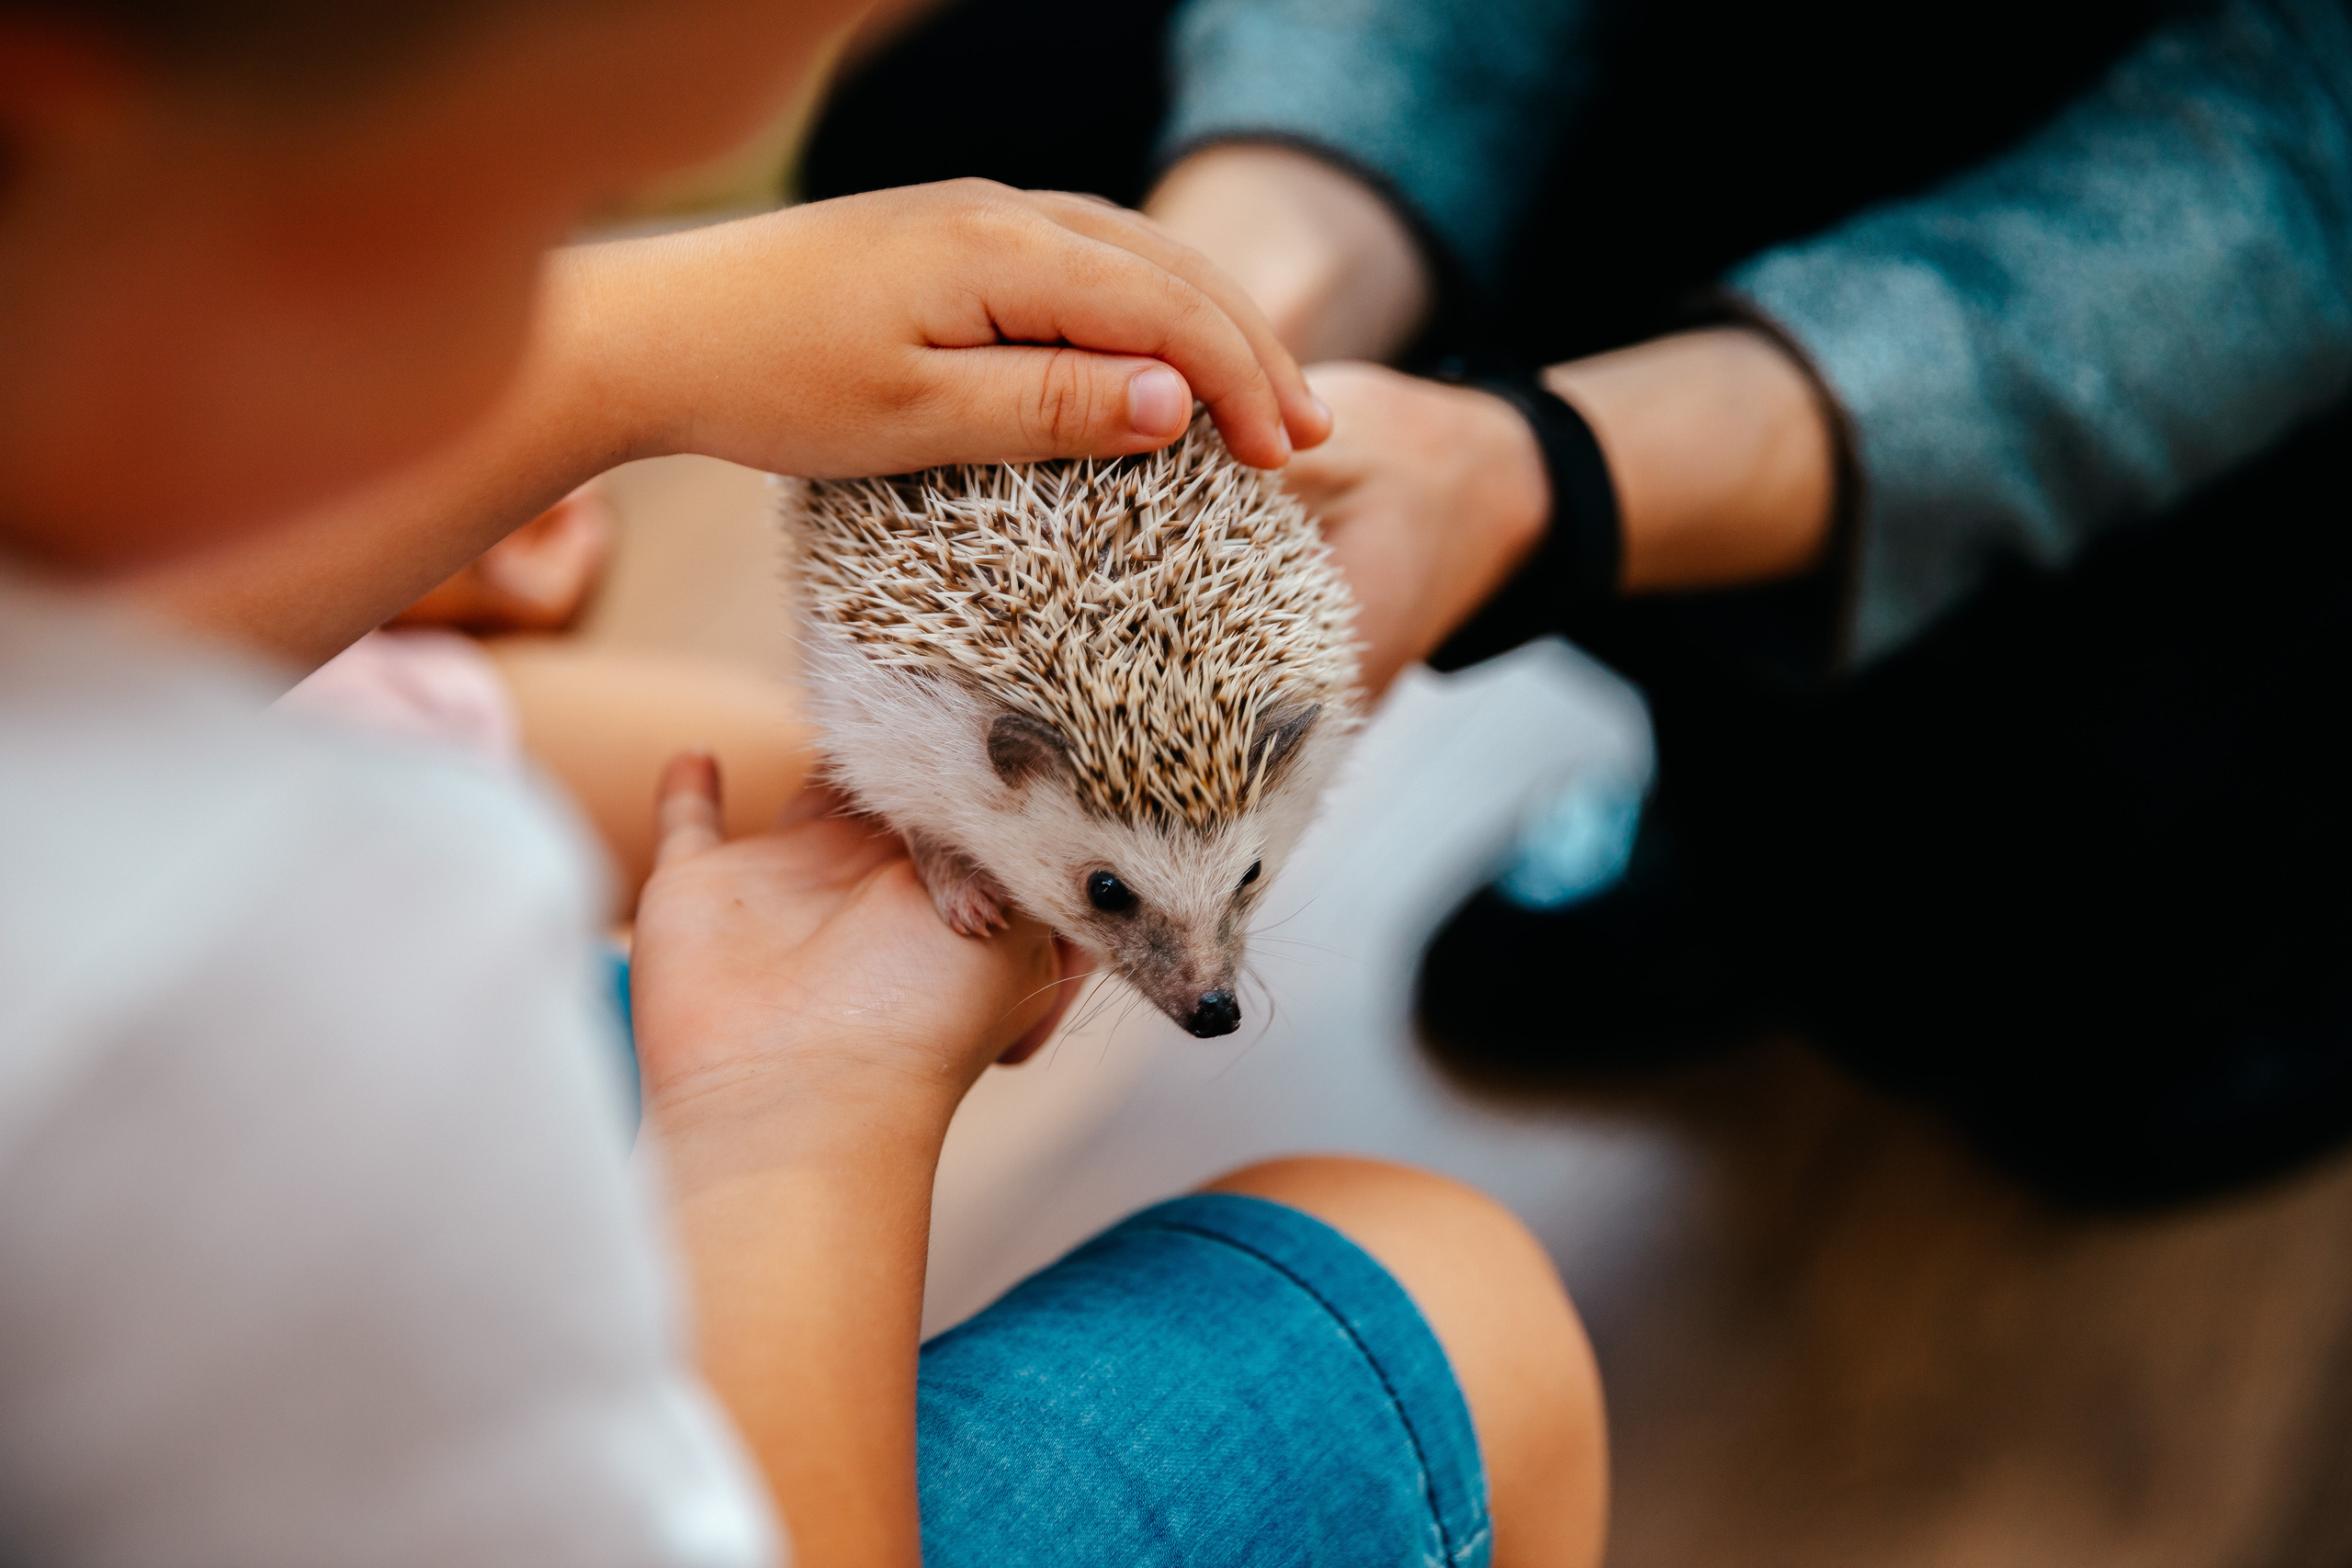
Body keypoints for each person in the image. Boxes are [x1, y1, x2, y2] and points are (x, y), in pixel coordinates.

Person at [0, 4, 1608, 1565]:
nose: (1198, 990)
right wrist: (796, 1115)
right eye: (558, 204)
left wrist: (626, 360)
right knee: (1458, 1296)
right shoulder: (254, 972)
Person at [810, 0, 2352, 1208]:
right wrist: (1230, 305)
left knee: (2044, 1008)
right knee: (953, 140)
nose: (1205, 991)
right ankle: (1759, 773)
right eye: (1118, 900)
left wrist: (1552, 476)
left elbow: (2305, 157)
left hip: (2214, 269)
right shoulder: (984, 735)